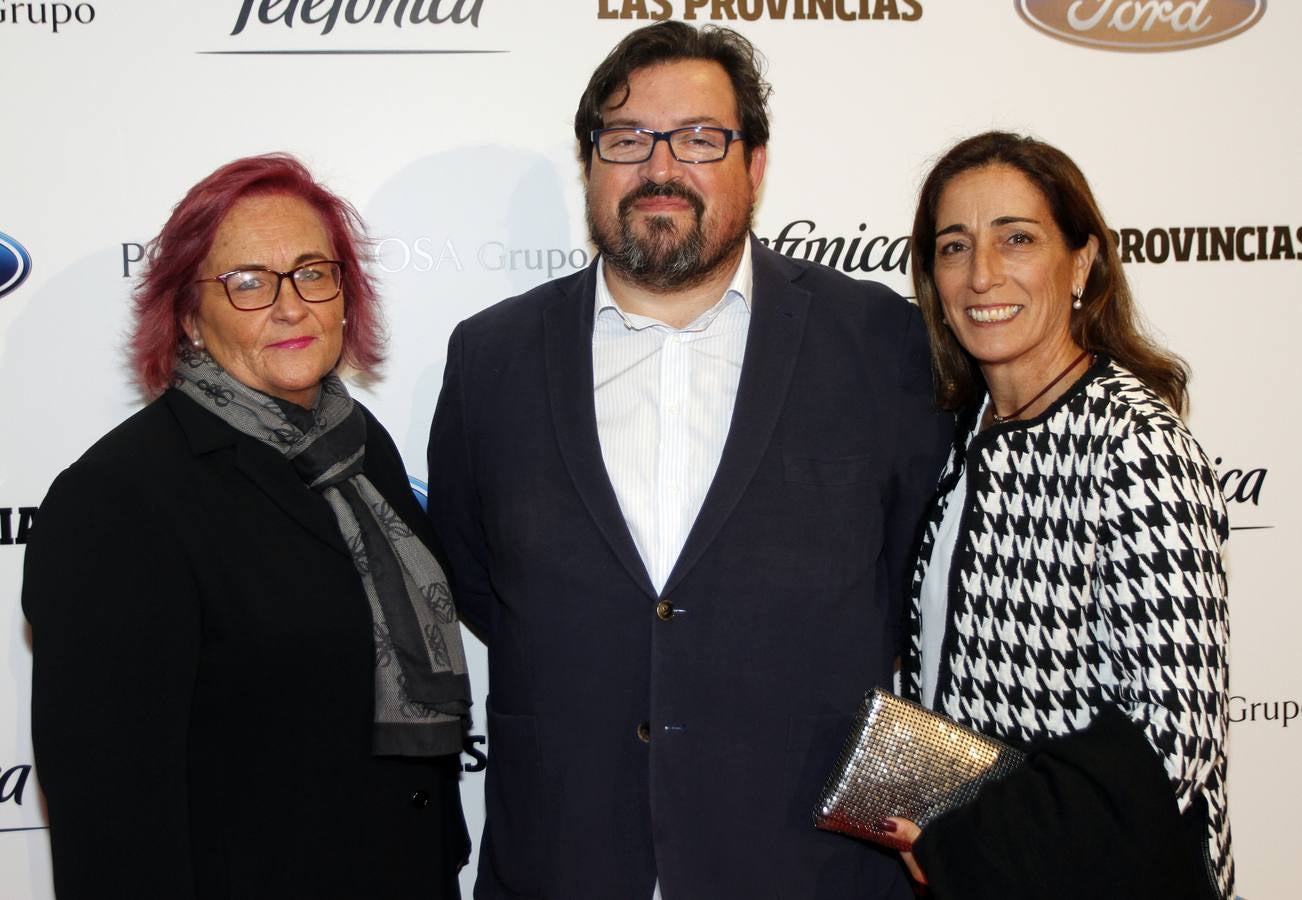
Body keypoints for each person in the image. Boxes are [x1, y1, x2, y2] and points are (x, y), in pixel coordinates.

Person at [426, 21, 950, 900]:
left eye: (701, 138)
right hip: (568, 859)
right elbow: (478, 583)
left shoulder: (880, 343)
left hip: (816, 870)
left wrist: (907, 822)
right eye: (627, 139)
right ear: (590, 163)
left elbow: (925, 597)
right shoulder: (493, 358)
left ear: (755, 164)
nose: (660, 168)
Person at [23, 154, 472, 899]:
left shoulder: (362, 448)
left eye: (311, 273)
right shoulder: (119, 500)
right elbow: (112, 821)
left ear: (343, 295)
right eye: (248, 282)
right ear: (191, 318)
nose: (290, 305)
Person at [891, 131, 1233, 899]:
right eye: (954, 246)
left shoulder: (1134, 446)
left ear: (1080, 263)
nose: (982, 274)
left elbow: (1171, 740)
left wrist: (965, 842)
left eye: (1017, 238)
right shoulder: (954, 437)